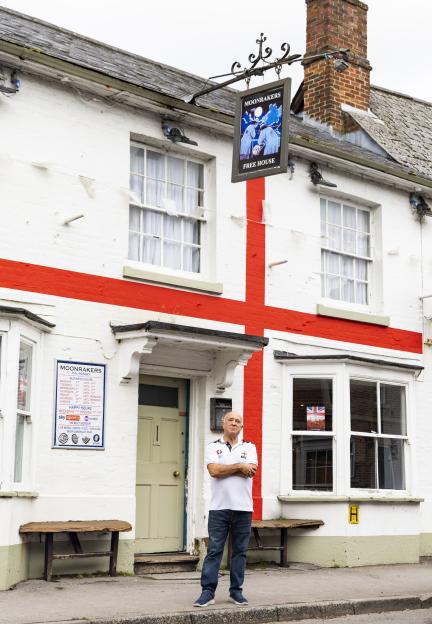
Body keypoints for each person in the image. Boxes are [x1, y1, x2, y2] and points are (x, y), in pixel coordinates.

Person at [194, 411, 258, 608]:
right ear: (224, 423)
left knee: (240, 552)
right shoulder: (214, 447)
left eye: (238, 421)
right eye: (230, 419)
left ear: (241, 426)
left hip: (243, 508)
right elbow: (214, 471)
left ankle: (236, 592)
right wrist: (240, 466)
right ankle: (207, 592)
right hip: (219, 508)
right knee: (214, 551)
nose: (234, 423)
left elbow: (252, 471)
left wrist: (228, 468)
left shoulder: (250, 447)